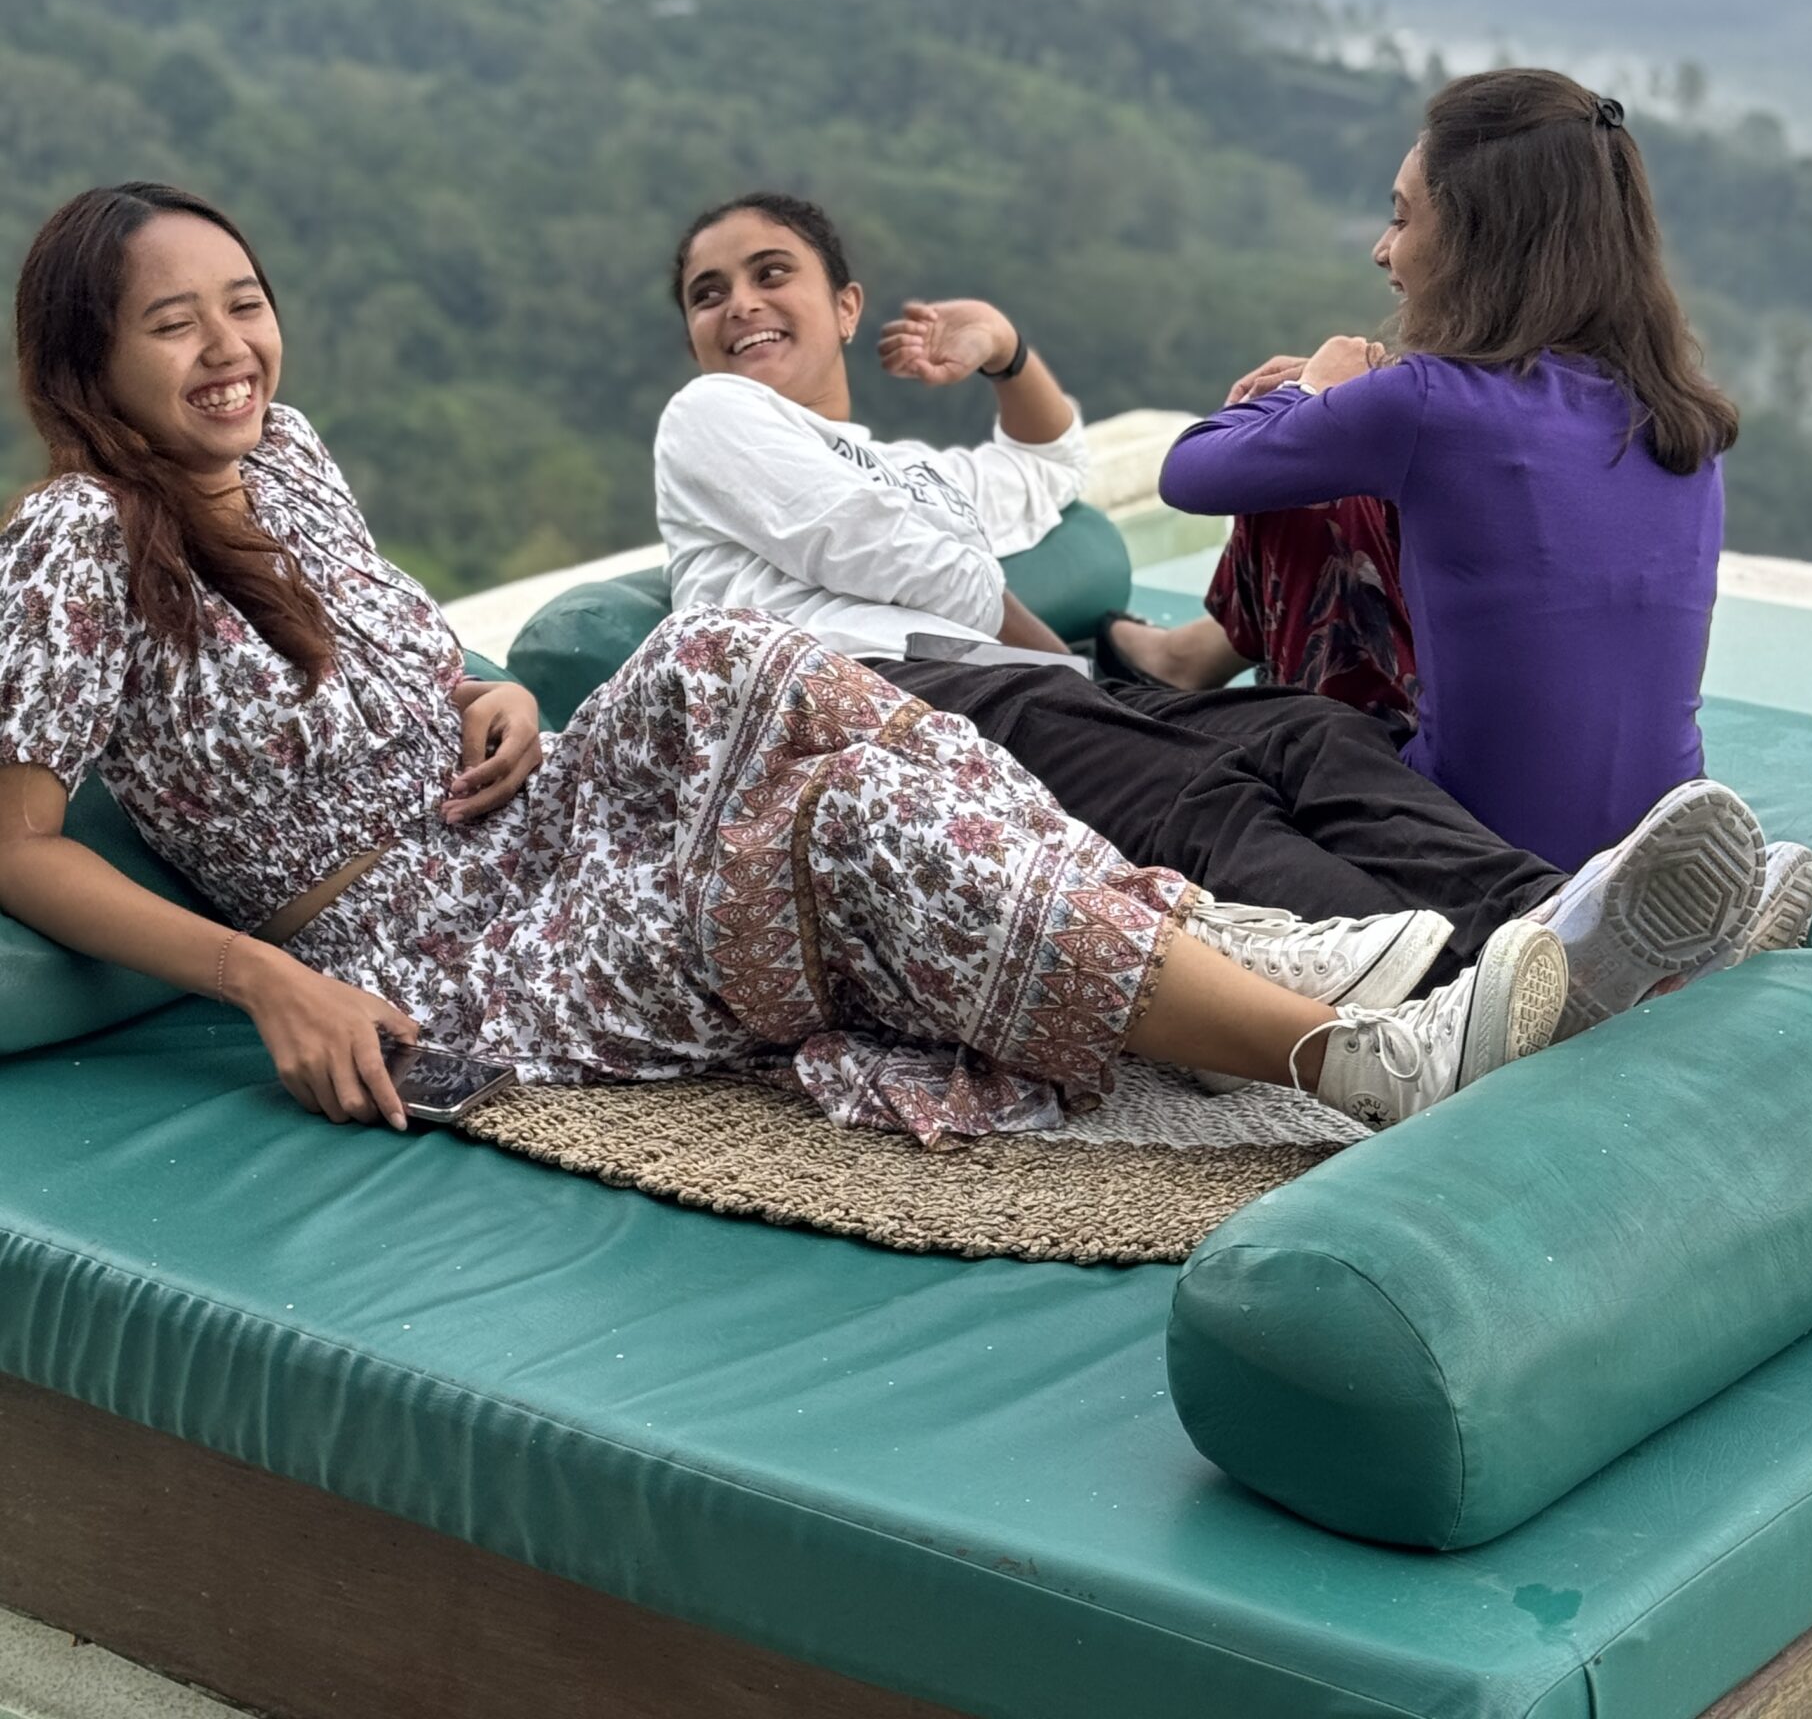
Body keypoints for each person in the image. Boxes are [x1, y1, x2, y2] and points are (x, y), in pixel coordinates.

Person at [0, 184, 1581, 1147]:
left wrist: (486, 687)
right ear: (90, 360)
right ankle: (1356, 1054)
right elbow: (20, 848)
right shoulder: (76, 539)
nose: (229, 351)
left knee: (735, 652)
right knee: (839, 829)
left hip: (519, 829)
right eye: (172, 327)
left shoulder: (286, 454)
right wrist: (266, 978)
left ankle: (1230, 946)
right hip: (419, 942)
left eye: (246, 307)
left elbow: (399, 638)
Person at [655, 191, 1774, 1035]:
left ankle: (1582, 913)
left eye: (771, 274)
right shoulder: (711, 416)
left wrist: (1004, 350)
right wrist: (1058, 661)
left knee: (1306, 726)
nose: (742, 304)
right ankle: (1472, 995)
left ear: (845, 306)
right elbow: (878, 550)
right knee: (1206, 798)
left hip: (1002, 690)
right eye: (712, 292)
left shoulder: (904, 466)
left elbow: (1045, 466)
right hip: (877, 703)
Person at [1158, 71, 1812, 985]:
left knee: (1230, 772)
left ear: (1474, 237)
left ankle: (1508, 935)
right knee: (1352, 499)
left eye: (1402, 217)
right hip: (1659, 825)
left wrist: (1310, 394)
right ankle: (1671, 923)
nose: (1384, 251)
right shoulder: (1683, 422)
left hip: (1468, 838)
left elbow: (1190, 471)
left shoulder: (1429, 402)